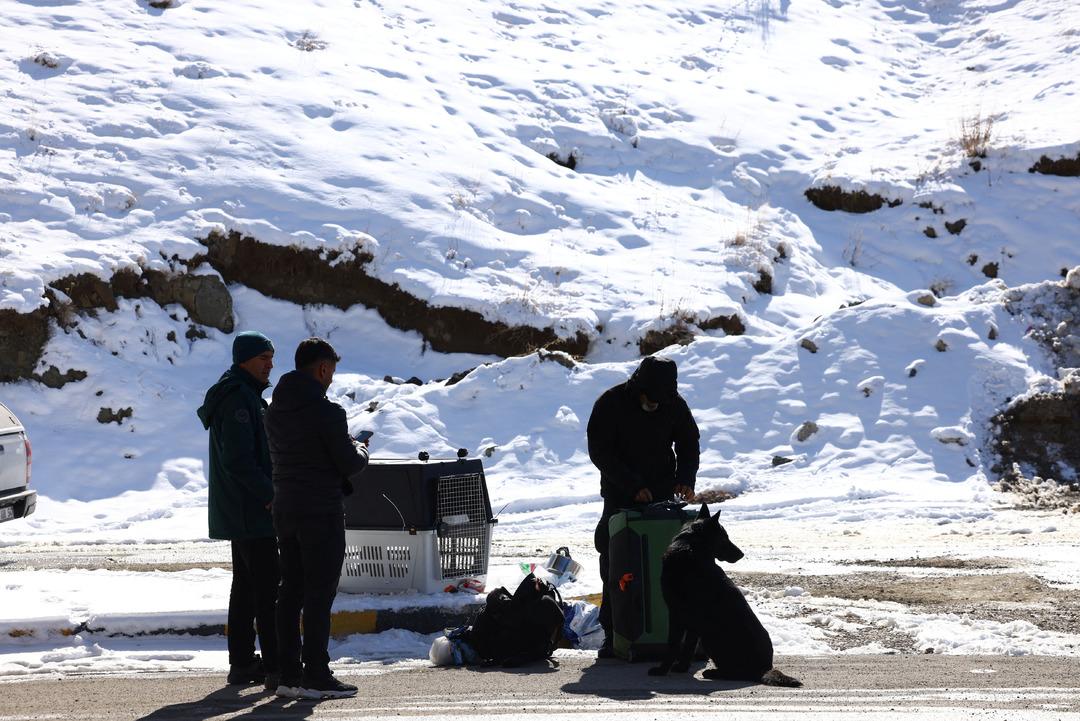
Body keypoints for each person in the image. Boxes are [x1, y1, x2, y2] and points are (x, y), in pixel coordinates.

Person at [265, 338, 369, 699]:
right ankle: (316, 675)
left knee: (290, 591)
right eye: (332, 371)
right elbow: (348, 463)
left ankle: (288, 675)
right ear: (323, 369)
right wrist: (361, 448)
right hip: (321, 511)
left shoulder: (274, 410)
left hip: (286, 508)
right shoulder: (328, 412)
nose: (332, 378)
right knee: (319, 595)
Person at [586, 355, 700, 658]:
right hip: (620, 497)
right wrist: (632, 485)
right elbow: (600, 452)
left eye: (661, 401)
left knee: (668, 566)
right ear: (639, 389)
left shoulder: (673, 404)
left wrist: (685, 478)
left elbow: (689, 442)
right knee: (616, 566)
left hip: (662, 497)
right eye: (651, 400)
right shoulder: (610, 403)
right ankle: (616, 635)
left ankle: (671, 634)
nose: (656, 405)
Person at [196, 331, 280, 689]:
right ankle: (277, 666)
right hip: (250, 510)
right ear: (244, 359)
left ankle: (244, 662)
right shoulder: (238, 399)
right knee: (268, 587)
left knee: (247, 586)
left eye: (271, 357)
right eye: (263, 358)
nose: (270, 365)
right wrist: (269, 494)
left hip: (245, 507)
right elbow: (239, 460)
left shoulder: (244, 394)